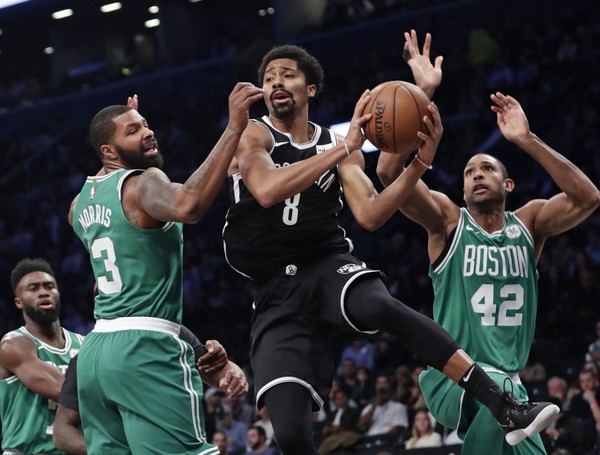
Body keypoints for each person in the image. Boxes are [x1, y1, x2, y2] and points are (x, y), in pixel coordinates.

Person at [221, 41, 560, 455]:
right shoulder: (254, 133)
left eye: (288, 74)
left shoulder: (336, 146)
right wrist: (345, 146)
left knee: (381, 305)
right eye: (269, 77)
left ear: (311, 89)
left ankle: (504, 406)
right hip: (274, 288)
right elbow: (267, 189)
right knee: (291, 435)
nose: (276, 81)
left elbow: (371, 215)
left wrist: (419, 158)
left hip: (325, 263)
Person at [376, 30, 600, 455]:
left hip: (511, 393)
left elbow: (588, 198)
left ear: (507, 184)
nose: (477, 174)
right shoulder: (447, 221)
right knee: (497, 394)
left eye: (487, 168)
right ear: (462, 190)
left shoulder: (529, 223)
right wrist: (421, 92)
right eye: (469, 172)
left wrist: (525, 140)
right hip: (453, 377)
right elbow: (389, 174)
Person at [67, 83, 263, 454]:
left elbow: (114, 267)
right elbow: (188, 204)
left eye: (145, 124)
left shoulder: (78, 205)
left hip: (95, 353)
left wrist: (121, 129)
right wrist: (234, 127)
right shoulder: (144, 183)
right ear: (109, 150)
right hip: (144, 348)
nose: (148, 131)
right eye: (134, 130)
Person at [52, 327, 247, 455]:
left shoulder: (168, 330)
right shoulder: (86, 356)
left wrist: (233, 371)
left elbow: (216, 368)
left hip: (176, 439)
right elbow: (62, 432)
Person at [0, 258, 85, 455]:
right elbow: (63, 390)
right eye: (33, 289)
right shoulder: (13, 345)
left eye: (49, 286)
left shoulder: (83, 343)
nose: (43, 292)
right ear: (18, 302)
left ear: (58, 293)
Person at [358, 373, 409, 445]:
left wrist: (381, 439)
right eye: (379, 383)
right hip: (370, 442)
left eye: (384, 383)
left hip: (388, 442)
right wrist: (375, 405)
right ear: (376, 386)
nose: (382, 386)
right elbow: (362, 424)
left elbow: (399, 427)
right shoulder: (369, 408)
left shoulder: (399, 407)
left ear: (389, 385)